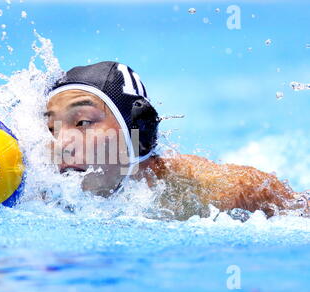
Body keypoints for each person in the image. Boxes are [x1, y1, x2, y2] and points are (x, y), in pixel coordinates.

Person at [45, 61, 309, 219]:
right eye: (52, 129)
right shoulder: (37, 190)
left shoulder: (201, 190)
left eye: (83, 123)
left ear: (139, 132)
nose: (62, 144)